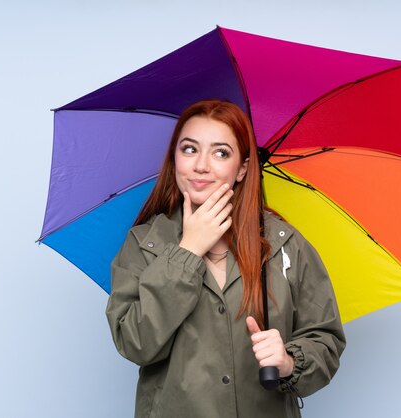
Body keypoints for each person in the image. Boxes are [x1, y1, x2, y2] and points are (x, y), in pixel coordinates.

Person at [106, 99, 345, 418]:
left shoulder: (284, 245)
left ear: (243, 167)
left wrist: (288, 361)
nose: (201, 165)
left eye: (221, 152)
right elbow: (135, 342)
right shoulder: (143, 244)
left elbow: (325, 340)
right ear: (174, 157)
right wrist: (187, 250)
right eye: (189, 149)